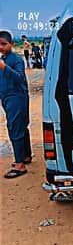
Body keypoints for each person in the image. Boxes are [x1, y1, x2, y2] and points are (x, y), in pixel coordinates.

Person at [0, 30, 32, 178]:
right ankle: (25, 155)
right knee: (21, 126)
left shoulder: (16, 59)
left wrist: (4, 67)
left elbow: (19, 78)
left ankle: (20, 165)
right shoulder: (4, 59)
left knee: (15, 128)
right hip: (7, 98)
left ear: (11, 44)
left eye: (3, 44)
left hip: (16, 98)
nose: (1, 47)